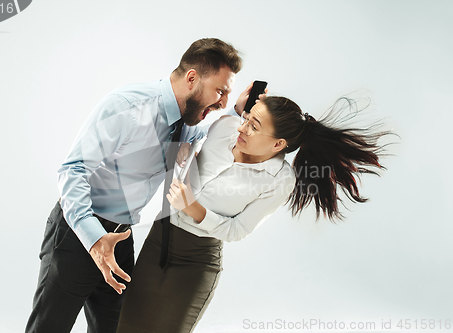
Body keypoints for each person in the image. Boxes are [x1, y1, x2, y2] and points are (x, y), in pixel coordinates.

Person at [25, 38, 247, 333]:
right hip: (78, 234)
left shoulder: (187, 117)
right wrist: (93, 239)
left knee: (120, 329)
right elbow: (73, 169)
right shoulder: (127, 107)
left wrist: (237, 112)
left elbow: (200, 133)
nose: (222, 102)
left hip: (121, 238)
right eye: (220, 91)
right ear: (192, 78)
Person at [116, 95, 392, 333]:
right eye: (247, 119)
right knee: (124, 327)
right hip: (158, 242)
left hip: (195, 262)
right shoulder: (226, 128)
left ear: (277, 144)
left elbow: (237, 230)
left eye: (254, 127)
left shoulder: (280, 179)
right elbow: (184, 134)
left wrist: (193, 208)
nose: (243, 128)